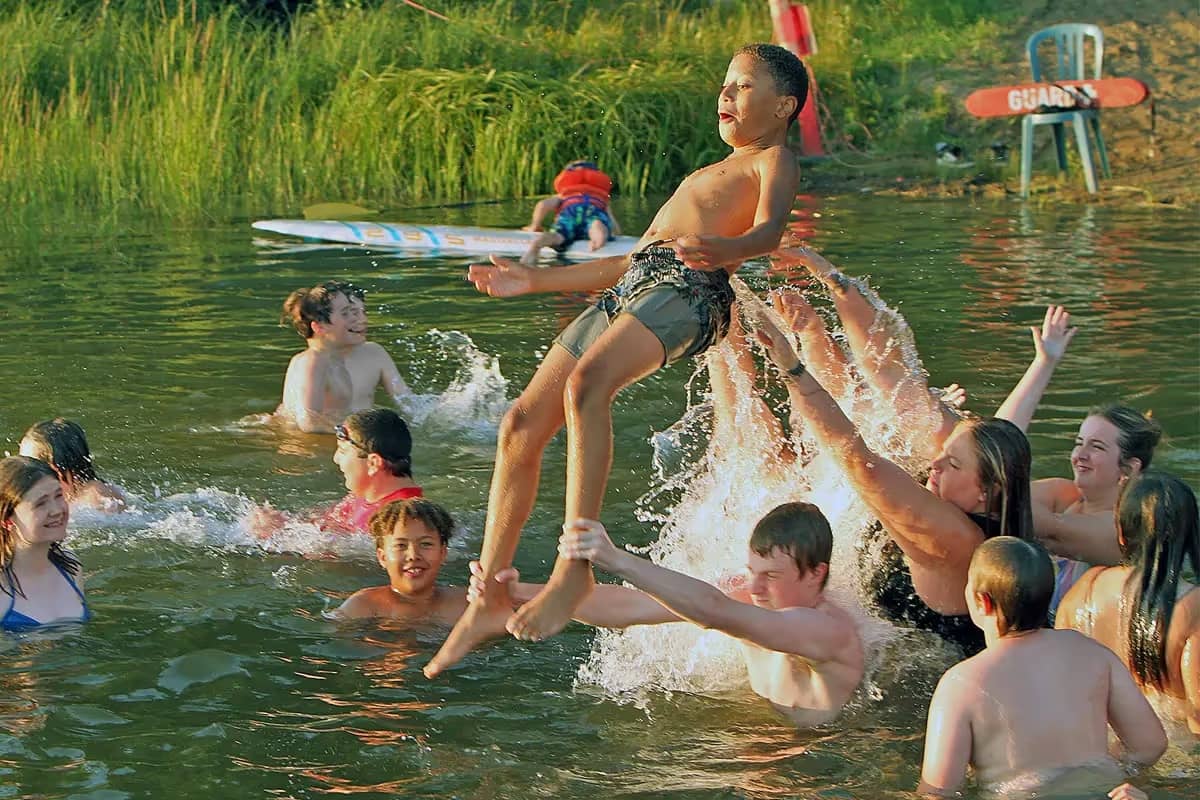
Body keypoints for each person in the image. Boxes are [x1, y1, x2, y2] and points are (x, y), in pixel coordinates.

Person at [428, 42, 809, 677]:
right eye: (724, 84)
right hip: (638, 283)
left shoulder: (775, 158)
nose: (726, 95)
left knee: (586, 386)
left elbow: (769, 233)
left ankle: (574, 569)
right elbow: (636, 261)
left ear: (784, 105)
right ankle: (491, 594)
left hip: (693, 292)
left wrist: (728, 246)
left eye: (743, 87)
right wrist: (536, 281)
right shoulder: (709, 172)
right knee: (520, 425)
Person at [754, 288, 1033, 655]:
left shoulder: (958, 537)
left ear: (987, 491)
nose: (936, 464)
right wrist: (813, 333)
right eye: (944, 454)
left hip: (927, 681)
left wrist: (793, 370)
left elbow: (857, 460)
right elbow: (876, 385)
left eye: (952, 463)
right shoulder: (981, 497)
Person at [477, 503, 864, 727]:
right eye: (752, 573)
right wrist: (518, 593)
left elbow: (713, 612)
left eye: (772, 577)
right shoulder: (751, 596)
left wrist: (616, 559)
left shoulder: (828, 631)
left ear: (817, 573)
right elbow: (630, 607)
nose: (757, 588)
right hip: (759, 735)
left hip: (817, 761)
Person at [918, 536, 1166, 797]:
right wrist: (1096, 771)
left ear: (983, 601)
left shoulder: (960, 684)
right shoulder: (1093, 653)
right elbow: (1150, 746)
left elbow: (937, 792)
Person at [1056, 471, 1200, 735]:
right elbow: (1198, 717)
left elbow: (1062, 687)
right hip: (1172, 755)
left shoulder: (1082, 593)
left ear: (1121, 532)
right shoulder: (1193, 607)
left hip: (1095, 740)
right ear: (1190, 535)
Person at [251, 408, 423, 538]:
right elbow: (327, 526)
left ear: (373, 463)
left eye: (342, 451)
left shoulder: (402, 518)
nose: (336, 459)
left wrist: (280, 534)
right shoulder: (364, 496)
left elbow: (344, 559)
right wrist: (285, 523)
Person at [277, 281, 410, 433]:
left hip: (355, 445)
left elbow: (407, 402)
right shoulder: (311, 362)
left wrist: (441, 406)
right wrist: (360, 434)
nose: (362, 320)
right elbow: (309, 422)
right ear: (319, 326)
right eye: (347, 313)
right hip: (311, 449)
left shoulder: (374, 353)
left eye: (362, 312)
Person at [332, 498, 466, 625]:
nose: (413, 555)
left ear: (443, 553)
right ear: (382, 557)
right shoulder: (363, 606)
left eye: (425, 544)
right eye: (401, 545)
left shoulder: (465, 603)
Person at [0, 456, 89, 630]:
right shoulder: (2, 588)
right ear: (7, 520)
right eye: (40, 504)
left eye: (58, 496)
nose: (56, 510)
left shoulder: (70, 566)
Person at [520, 160, 622, 265]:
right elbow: (614, 226)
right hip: (594, 211)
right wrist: (615, 232)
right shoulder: (601, 198)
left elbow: (543, 205)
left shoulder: (565, 195)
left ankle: (537, 245)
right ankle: (598, 239)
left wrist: (534, 225)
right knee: (596, 224)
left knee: (557, 235)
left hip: (569, 213)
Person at [18, 418, 127, 511]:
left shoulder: (95, 498)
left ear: (57, 470)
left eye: (30, 467)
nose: (24, 475)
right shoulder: (75, 496)